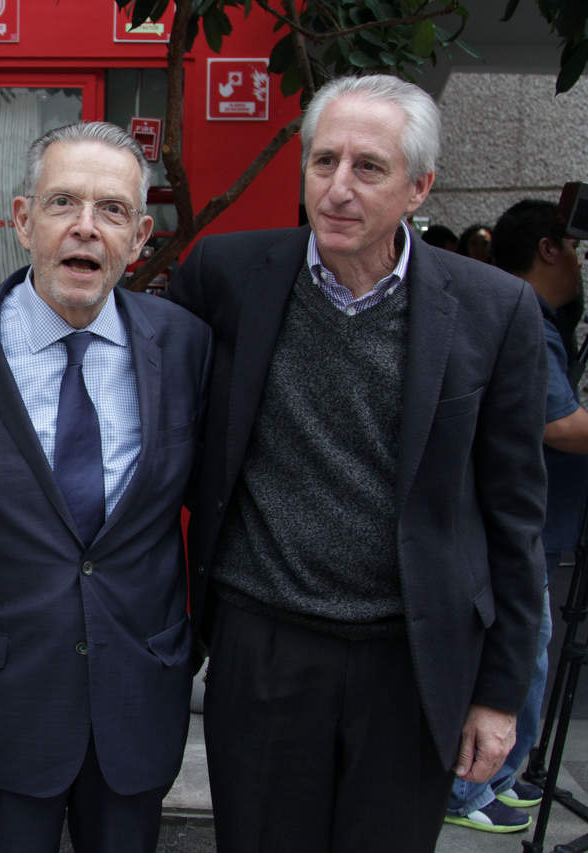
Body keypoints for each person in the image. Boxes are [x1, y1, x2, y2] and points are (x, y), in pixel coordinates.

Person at [168, 74, 546, 853]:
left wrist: (500, 695)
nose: (338, 189)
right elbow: (127, 351)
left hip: (412, 660)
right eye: (323, 162)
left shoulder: (492, 308)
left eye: (368, 167)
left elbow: (515, 516)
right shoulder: (227, 276)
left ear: (419, 187)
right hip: (263, 646)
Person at [0, 122, 212, 853]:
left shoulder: (184, 345)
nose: (86, 228)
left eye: (112, 210)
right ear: (23, 221)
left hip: (137, 698)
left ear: (141, 234)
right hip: (2, 700)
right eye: (62, 203)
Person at [444, 198, 588, 832]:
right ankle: (469, 788)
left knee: (529, 645)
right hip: (511, 524)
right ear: (549, 249)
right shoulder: (520, 311)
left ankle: (492, 776)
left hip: (524, 521)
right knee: (522, 646)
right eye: (575, 248)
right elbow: (559, 424)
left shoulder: (520, 311)